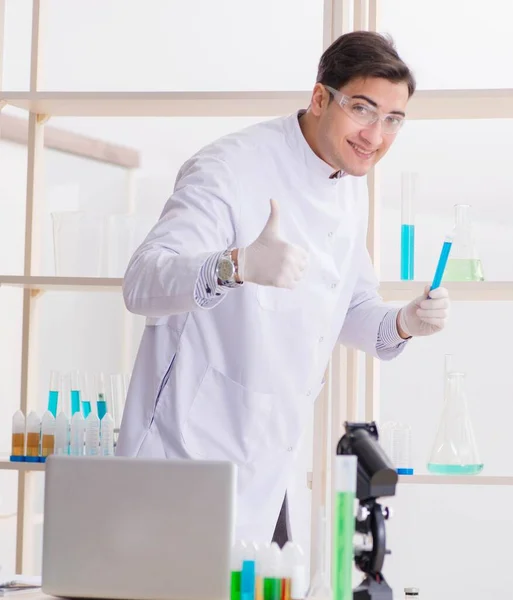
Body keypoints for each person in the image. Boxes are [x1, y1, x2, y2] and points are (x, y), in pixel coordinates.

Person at [116, 31, 450, 546]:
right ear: (320, 98)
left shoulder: (347, 179)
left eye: (393, 120)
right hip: (184, 455)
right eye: (363, 110)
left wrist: (404, 322)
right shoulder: (229, 168)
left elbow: (347, 305)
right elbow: (142, 281)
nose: (376, 135)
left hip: (272, 467)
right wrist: (235, 265)